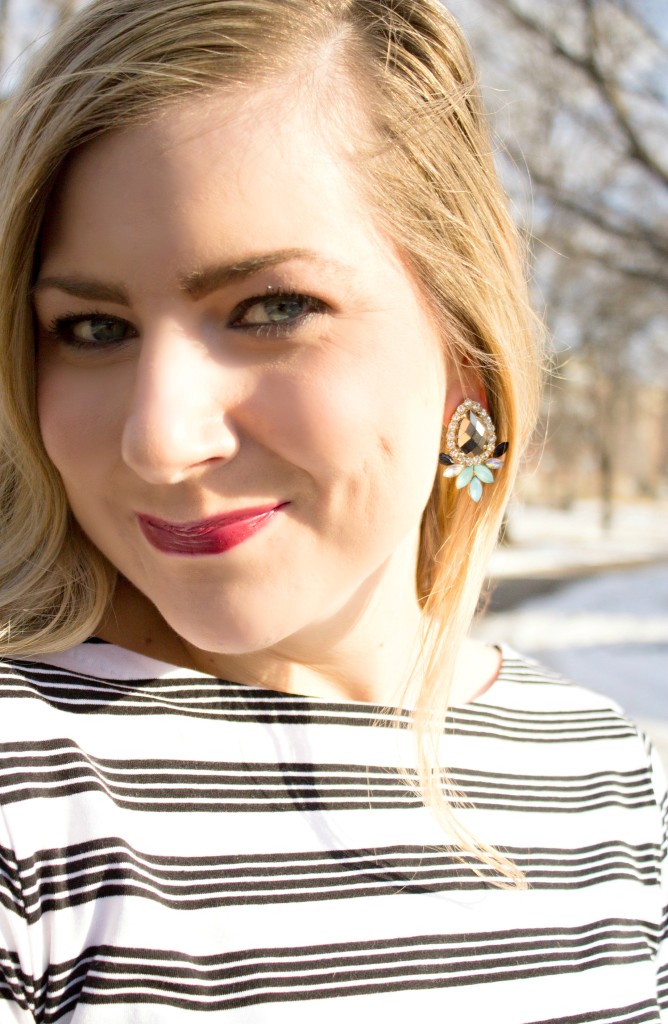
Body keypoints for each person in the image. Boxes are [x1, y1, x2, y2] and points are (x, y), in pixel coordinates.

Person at [0, 0, 665, 1020]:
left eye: (268, 309)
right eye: (91, 327)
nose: (160, 437)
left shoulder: (607, 779)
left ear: (466, 358)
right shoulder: (30, 789)